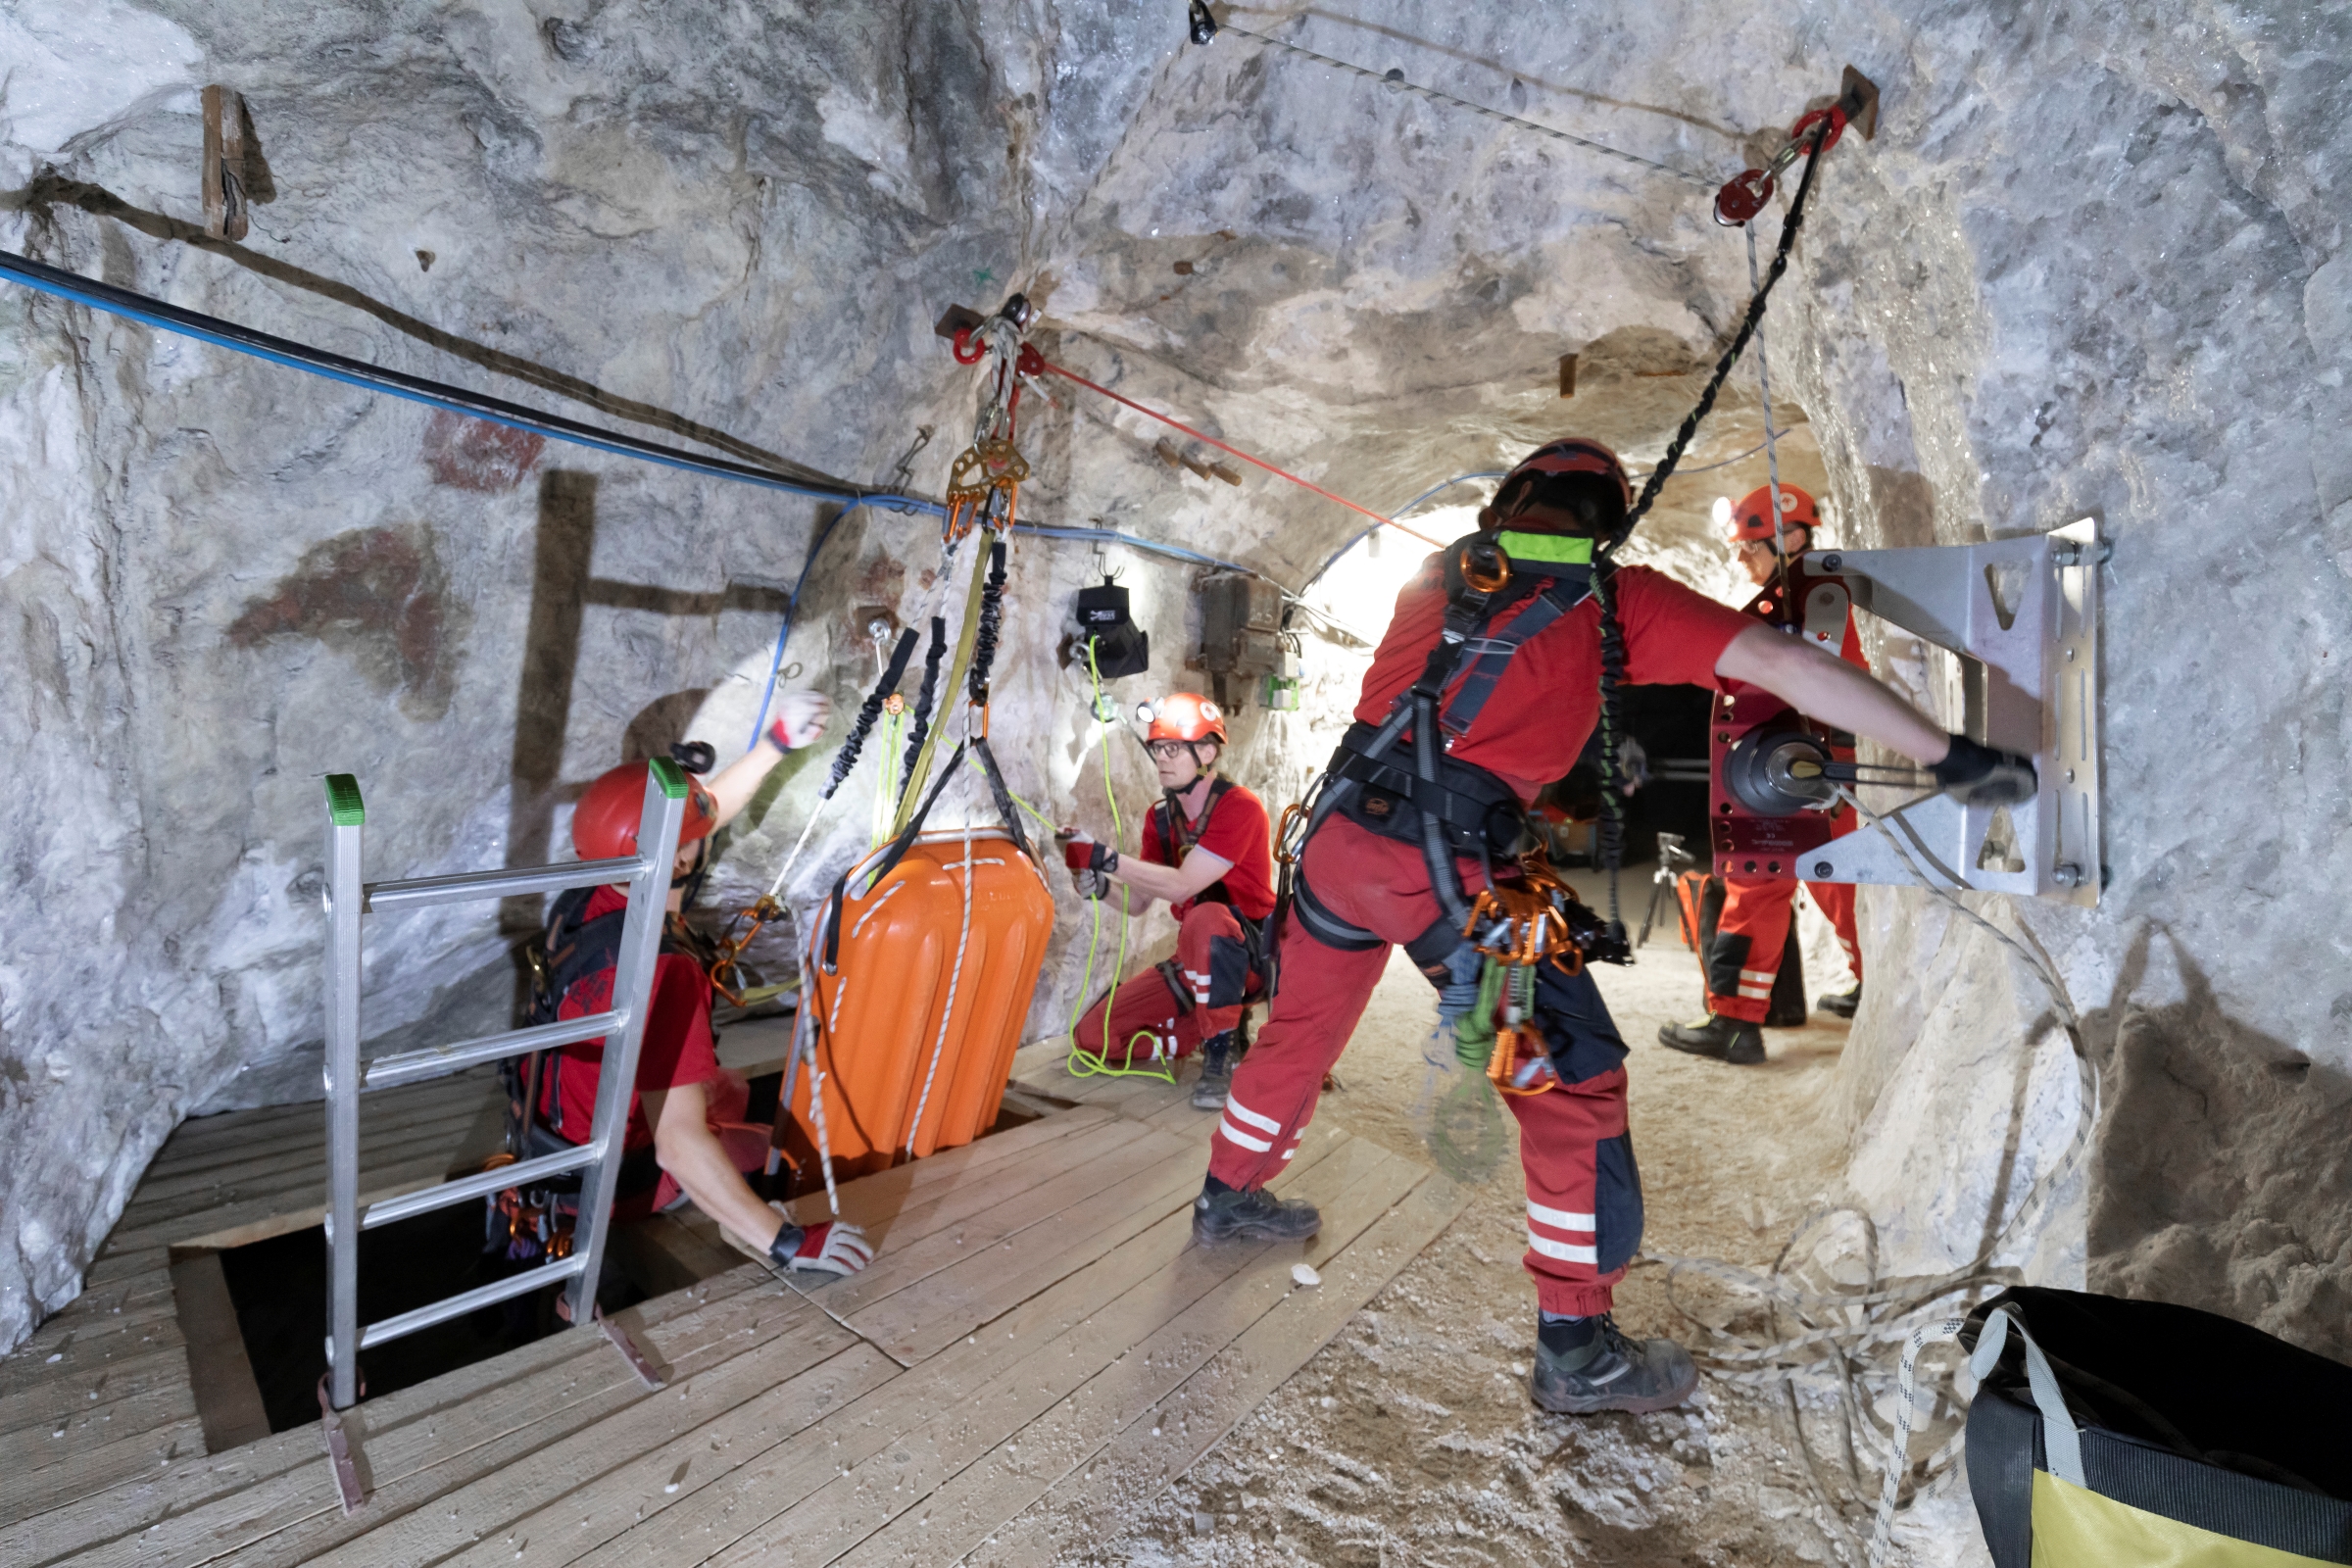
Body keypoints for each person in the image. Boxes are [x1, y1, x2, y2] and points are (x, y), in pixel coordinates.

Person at [1187, 439, 2034, 1415]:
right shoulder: (1620, 599)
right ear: (1612, 519)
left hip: (1340, 844)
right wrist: (1950, 753)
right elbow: (1786, 666)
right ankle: (1577, 1347)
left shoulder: (1436, 574)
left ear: (1512, 499)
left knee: (1300, 1028)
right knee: (1574, 1085)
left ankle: (1227, 1191)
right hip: (1450, 873)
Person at [536, 691, 872, 1282]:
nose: (707, 829)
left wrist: (776, 744)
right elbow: (678, 1145)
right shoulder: (662, 969)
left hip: (558, 1149)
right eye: (695, 833)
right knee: (777, 1149)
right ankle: (733, 1222)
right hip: (619, 1184)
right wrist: (785, 1240)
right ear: (680, 860)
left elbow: (704, 810)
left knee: (729, 1087)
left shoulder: (588, 903)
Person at [1660, 482, 1865, 1067]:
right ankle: (1873, 980)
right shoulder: (1825, 597)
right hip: (1821, 767)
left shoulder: (1803, 602)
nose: (1740, 556)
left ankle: (1732, 1022)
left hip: (1783, 768)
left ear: (1793, 537)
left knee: (1756, 881)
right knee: (1838, 881)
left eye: (1752, 544)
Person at [1060, 692, 1277, 1110]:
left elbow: (1181, 886)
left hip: (1248, 953)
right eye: (1158, 748)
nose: (1161, 758)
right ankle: (1210, 1030)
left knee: (1207, 916)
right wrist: (1100, 886)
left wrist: (1104, 857)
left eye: (1173, 748)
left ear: (1207, 751)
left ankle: (1220, 1053)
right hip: (1196, 958)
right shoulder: (1160, 818)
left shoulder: (1240, 809)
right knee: (1093, 1037)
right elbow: (1140, 902)